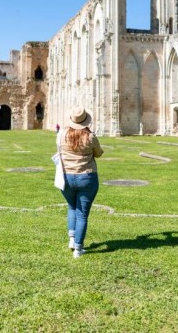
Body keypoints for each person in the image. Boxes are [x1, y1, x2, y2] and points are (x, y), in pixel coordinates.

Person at [58, 105, 103, 258]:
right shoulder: (90, 137)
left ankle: (72, 239)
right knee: (82, 214)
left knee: (72, 207)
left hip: (67, 177)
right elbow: (99, 154)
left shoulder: (62, 135)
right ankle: (78, 248)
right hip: (86, 177)